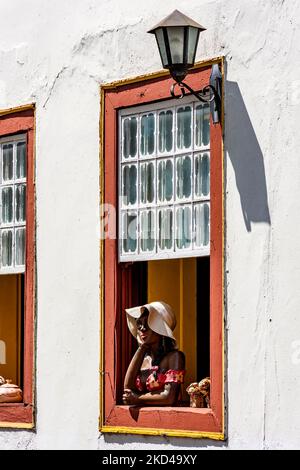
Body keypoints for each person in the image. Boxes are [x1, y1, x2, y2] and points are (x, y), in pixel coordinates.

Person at [123, 301, 185, 406]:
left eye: (147, 323)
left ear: (161, 329)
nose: (142, 329)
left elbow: (169, 397)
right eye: (139, 324)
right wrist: (142, 347)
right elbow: (128, 389)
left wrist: (138, 399)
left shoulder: (175, 357)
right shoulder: (143, 359)